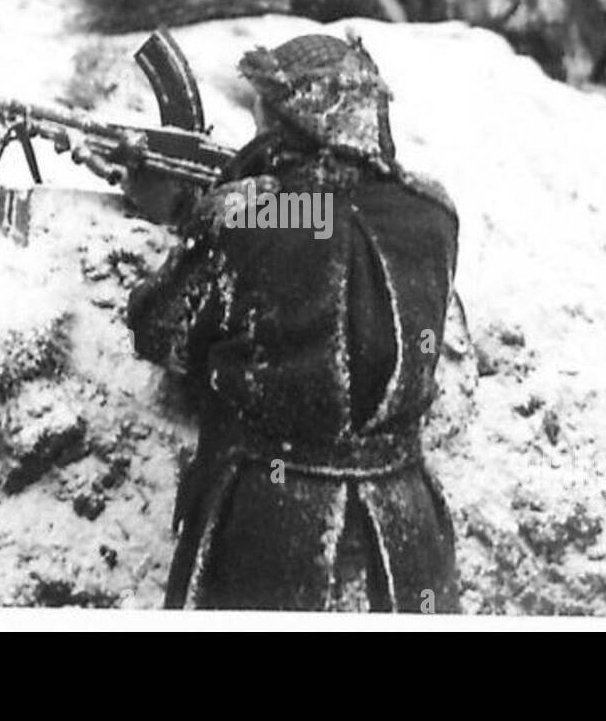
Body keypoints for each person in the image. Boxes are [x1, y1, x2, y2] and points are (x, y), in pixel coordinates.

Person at [126, 33, 460, 611]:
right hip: (405, 531)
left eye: (266, 111)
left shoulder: (254, 210)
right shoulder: (430, 211)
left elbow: (163, 332)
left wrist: (193, 217)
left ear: (294, 120)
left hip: (272, 518)